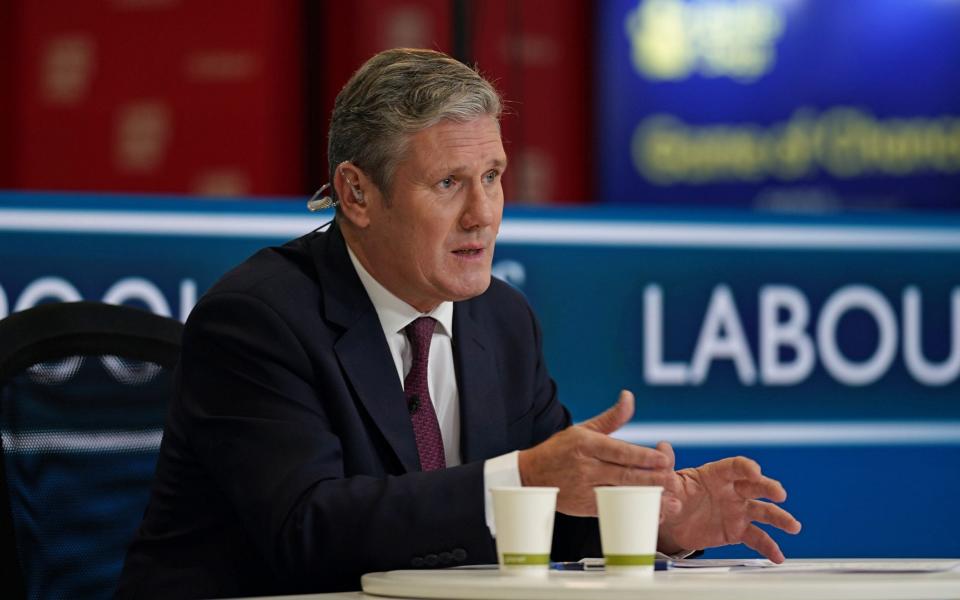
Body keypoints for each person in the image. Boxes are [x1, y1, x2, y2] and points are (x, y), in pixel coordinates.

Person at [117, 48, 800, 598]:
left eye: (494, 176)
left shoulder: (499, 319)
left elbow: (547, 514)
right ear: (357, 193)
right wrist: (523, 479)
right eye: (449, 183)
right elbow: (307, 535)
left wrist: (665, 521)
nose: (484, 213)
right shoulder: (259, 319)